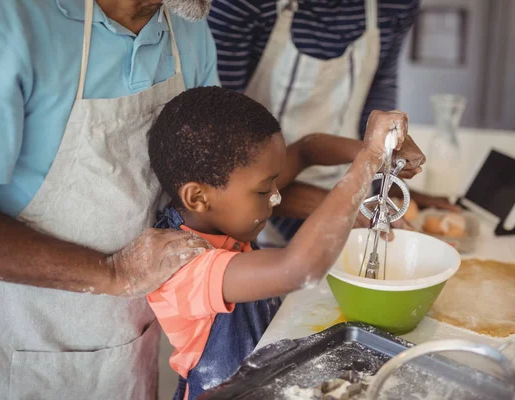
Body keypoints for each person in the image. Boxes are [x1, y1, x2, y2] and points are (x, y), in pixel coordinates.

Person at [0, 0, 220, 398]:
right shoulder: (7, 20)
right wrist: (113, 272)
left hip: (128, 350)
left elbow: (212, 181)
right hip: (13, 356)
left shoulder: (189, 32)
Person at [146, 86, 414, 399]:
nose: (276, 196)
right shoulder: (183, 269)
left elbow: (307, 150)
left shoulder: (219, 210)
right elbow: (299, 268)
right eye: (263, 191)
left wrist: (381, 149)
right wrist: (368, 160)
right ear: (197, 197)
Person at [208, 0, 460, 247]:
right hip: (261, 211)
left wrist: (386, 184)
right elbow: (225, 171)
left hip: (342, 191)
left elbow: (377, 94)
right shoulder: (239, 5)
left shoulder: (395, 6)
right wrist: (338, 211)